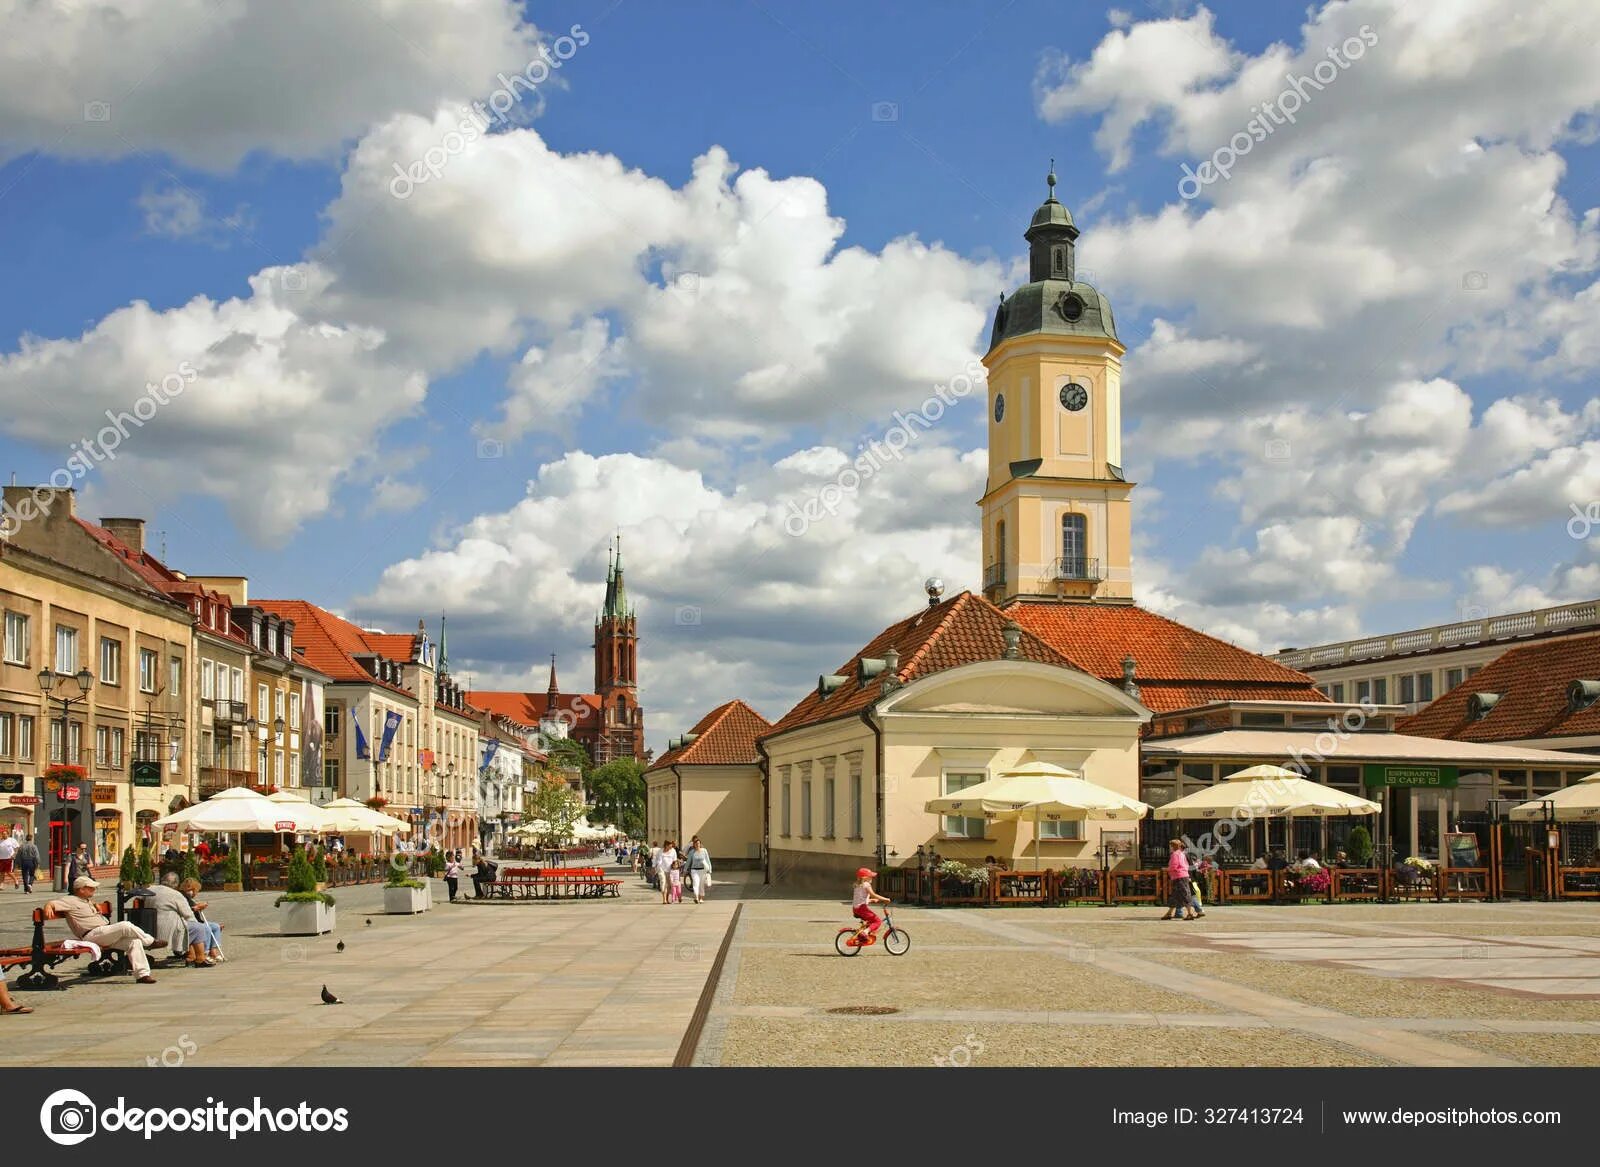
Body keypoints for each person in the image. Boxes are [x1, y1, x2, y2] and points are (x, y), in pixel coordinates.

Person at [44, 876, 160, 983]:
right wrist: (48, 906)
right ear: (81, 889)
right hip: (92, 935)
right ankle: (150, 941)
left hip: (103, 934)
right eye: (91, 888)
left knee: (134, 942)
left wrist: (94, 903)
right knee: (125, 925)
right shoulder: (70, 900)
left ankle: (142, 975)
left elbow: (86, 904)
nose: (94, 889)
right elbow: (53, 903)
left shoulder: (86, 900)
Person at [144, 874, 213, 967]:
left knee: (189, 928)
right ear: (176, 884)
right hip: (167, 929)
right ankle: (200, 959)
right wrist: (196, 923)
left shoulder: (150, 889)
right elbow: (188, 915)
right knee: (198, 928)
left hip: (148, 926)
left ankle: (191, 956)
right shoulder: (175, 894)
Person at [178, 878, 225, 962]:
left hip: (197, 921)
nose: (195, 893)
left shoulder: (190, 898)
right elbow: (185, 911)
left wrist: (198, 906)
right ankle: (204, 952)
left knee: (215, 926)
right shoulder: (182, 897)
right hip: (189, 922)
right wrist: (196, 908)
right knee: (205, 928)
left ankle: (213, 951)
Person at [1162, 838, 1201, 920]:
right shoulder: (1182, 854)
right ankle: (1169, 913)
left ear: (1173, 846)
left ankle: (1190, 914)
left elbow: (1174, 866)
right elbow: (1186, 865)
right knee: (1175, 896)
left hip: (1179, 876)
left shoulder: (1175, 854)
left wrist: (1166, 869)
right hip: (1183, 875)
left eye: (1170, 846)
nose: (1170, 847)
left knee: (1184, 895)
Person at [850, 867, 890, 945]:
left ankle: (863, 935)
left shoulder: (858, 885)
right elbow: (873, 894)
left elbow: (860, 899)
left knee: (871, 921)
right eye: (870, 876)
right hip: (862, 908)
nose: (872, 877)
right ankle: (865, 932)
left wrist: (871, 900)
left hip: (856, 909)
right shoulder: (866, 884)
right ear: (865, 877)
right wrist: (885, 899)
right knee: (877, 921)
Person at [686, 836, 712, 904]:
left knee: (701, 885)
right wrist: (685, 869)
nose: (697, 844)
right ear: (694, 844)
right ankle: (696, 898)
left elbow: (707, 860)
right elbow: (688, 861)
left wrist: (710, 869)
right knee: (696, 883)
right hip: (694, 870)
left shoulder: (704, 850)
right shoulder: (692, 852)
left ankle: (701, 898)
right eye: (696, 843)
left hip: (703, 870)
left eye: (698, 843)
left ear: (700, 844)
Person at [655, 840, 677, 905]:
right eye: (670, 845)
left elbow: (674, 860)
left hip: (670, 870)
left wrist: (675, 868)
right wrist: (656, 868)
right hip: (662, 869)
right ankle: (664, 899)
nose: (671, 846)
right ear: (666, 845)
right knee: (663, 882)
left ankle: (667, 899)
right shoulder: (660, 851)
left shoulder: (673, 851)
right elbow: (659, 861)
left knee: (669, 885)